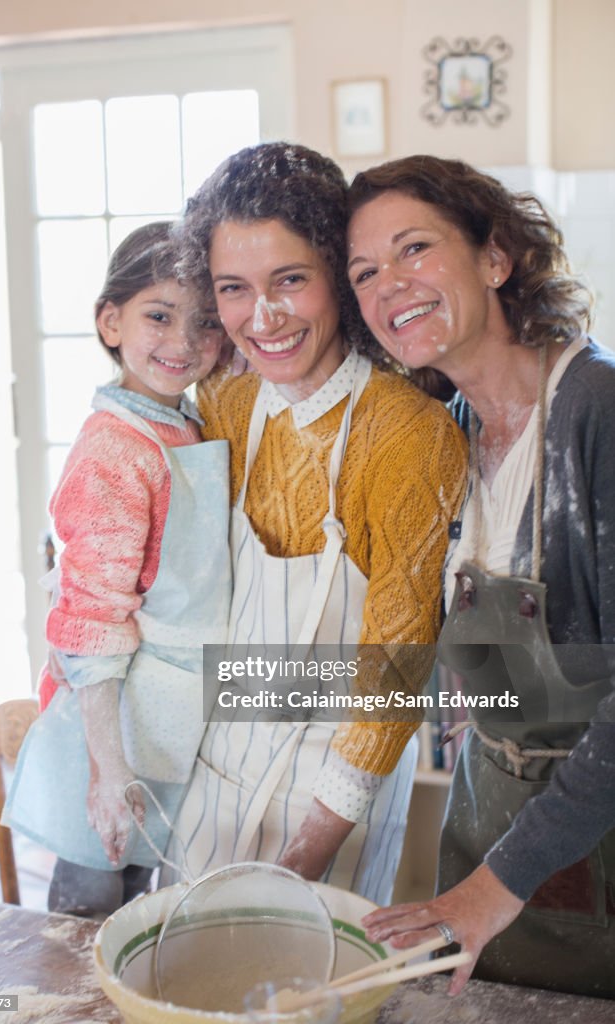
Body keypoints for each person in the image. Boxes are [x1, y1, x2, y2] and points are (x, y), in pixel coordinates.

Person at [160, 143, 467, 903]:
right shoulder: (226, 404)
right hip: (216, 766)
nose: (261, 317)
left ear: (338, 272)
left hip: (338, 792)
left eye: (289, 280)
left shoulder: (408, 434)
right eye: (234, 289)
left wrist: (307, 850)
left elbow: (396, 665)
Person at [346, 154, 615, 998]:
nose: (389, 284)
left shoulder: (596, 414)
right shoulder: (446, 435)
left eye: (415, 249)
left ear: (497, 259)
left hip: (585, 849)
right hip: (484, 827)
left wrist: (495, 885)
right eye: (363, 272)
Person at [2, 222, 231, 917]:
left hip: (167, 719)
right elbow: (92, 621)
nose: (183, 343)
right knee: (87, 914)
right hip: (111, 729)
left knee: (138, 910)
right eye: (158, 316)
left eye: (206, 324)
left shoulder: (185, 423)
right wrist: (107, 771)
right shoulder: (113, 449)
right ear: (110, 321)